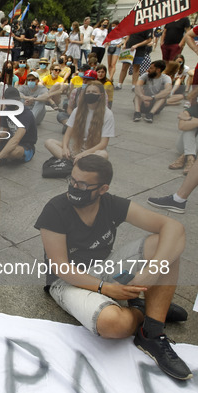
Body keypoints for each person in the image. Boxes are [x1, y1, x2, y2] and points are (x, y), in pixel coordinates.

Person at [35, 154, 192, 381]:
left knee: (168, 245)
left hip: (105, 267)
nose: (74, 188)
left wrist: (151, 273)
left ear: (102, 189)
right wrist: (105, 289)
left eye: (82, 185)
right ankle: (145, 310)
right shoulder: (56, 209)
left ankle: (152, 333)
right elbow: (61, 268)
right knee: (113, 324)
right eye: (72, 180)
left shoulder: (111, 203)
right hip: (66, 282)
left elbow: (173, 227)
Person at [45, 81, 114, 161]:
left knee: (103, 154)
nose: (90, 94)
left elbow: (103, 143)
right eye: (88, 92)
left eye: (94, 92)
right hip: (76, 149)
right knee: (49, 142)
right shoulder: (77, 110)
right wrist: (64, 148)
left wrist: (84, 154)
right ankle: (76, 163)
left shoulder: (107, 114)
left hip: (93, 152)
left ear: (101, 96)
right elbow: (67, 134)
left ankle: (73, 163)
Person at [0, 86, 38, 172]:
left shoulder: (26, 114)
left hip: (24, 145)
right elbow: (5, 132)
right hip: (8, 140)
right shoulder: (5, 111)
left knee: (15, 152)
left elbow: (16, 139)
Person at [165, 105, 198, 176]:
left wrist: (190, 118)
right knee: (189, 128)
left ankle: (187, 157)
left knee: (191, 124)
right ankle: (190, 157)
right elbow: (181, 126)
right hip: (182, 147)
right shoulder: (193, 109)